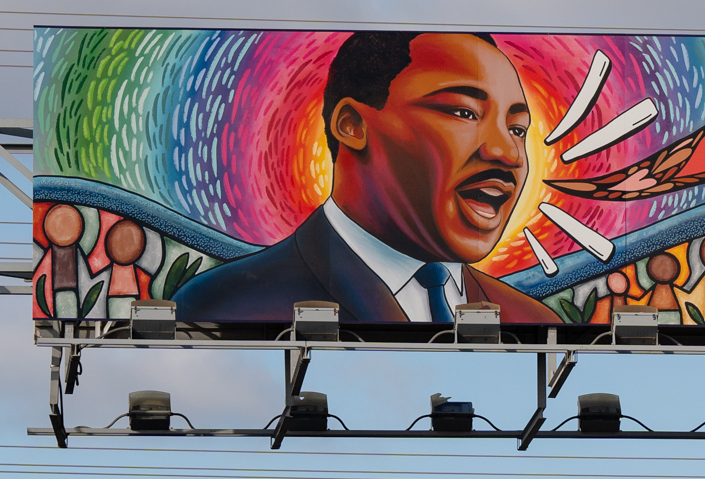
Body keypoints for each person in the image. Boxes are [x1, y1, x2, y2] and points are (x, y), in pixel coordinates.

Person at [177, 31, 560, 327]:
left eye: (517, 130)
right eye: (463, 113)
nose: (507, 153)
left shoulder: (532, 324)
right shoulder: (227, 306)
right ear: (352, 125)